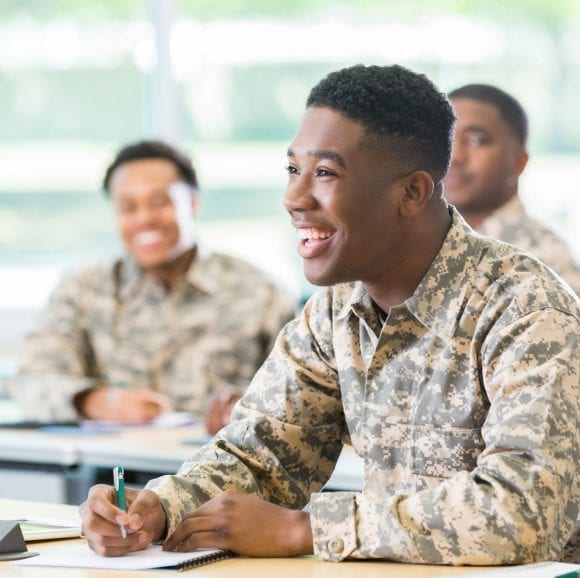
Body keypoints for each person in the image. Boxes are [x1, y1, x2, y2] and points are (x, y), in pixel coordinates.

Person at [80, 66, 579, 565]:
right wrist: (158, 509)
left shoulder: (526, 309)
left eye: (325, 173)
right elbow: (262, 456)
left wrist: (306, 530)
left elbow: (519, 513)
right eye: (293, 169)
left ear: (412, 192)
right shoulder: (336, 310)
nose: (294, 199)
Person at [7, 140, 296, 434]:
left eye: (159, 202)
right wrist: (91, 400)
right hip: (113, 472)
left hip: (229, 469)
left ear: (193, 203)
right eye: (128, 207)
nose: (144, 219)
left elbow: (305, 396)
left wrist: (247, 410)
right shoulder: (82, 290)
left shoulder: (261, 293)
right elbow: (30, 379)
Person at [443, 83, 580, 295]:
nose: (455, 156)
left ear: (519, 162)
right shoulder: (421, 242)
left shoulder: (547, 259)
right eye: (446, 138)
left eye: (477, 141)